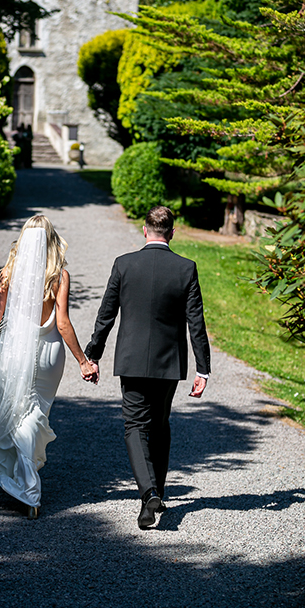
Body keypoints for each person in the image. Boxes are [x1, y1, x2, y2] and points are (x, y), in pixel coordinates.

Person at [0, 215, 97, 518]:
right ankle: (27, 479)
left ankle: (28, 487)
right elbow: (62, 322)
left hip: (16, 350)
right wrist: (83, 361)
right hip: (50, 354)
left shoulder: (9, 272)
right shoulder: (59, 274)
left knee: (18, 410)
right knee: (36, 412)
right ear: (50, 241)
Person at [84, 206, 211, 529]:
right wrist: (202, 369)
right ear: (171, 232)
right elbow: (196, 322)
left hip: (132, 359)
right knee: (160, 424)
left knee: (135, 426)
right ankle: (154, 496)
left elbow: (106, 315)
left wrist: (93, 354)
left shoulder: (124, 264)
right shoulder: (186, 268)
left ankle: (150, 492)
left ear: (145, 231)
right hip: (170, 363)